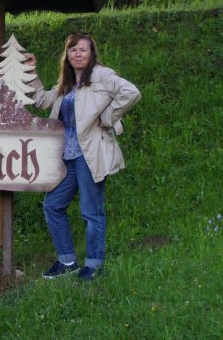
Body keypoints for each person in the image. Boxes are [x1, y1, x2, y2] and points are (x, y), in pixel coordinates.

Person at [25, 33, 141, 281]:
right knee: (53, 205)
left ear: (91, 54)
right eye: (73, 50)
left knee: (91, 211)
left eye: (83, 50)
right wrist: (32, 73)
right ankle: (67, 261)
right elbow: (42, 101)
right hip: (67, 157)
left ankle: (94, 265)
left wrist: (108, 117)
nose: (77, 54)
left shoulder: (102, 75)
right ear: (67, 54)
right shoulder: (66, 83)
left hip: (90, 155)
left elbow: (130, 92)